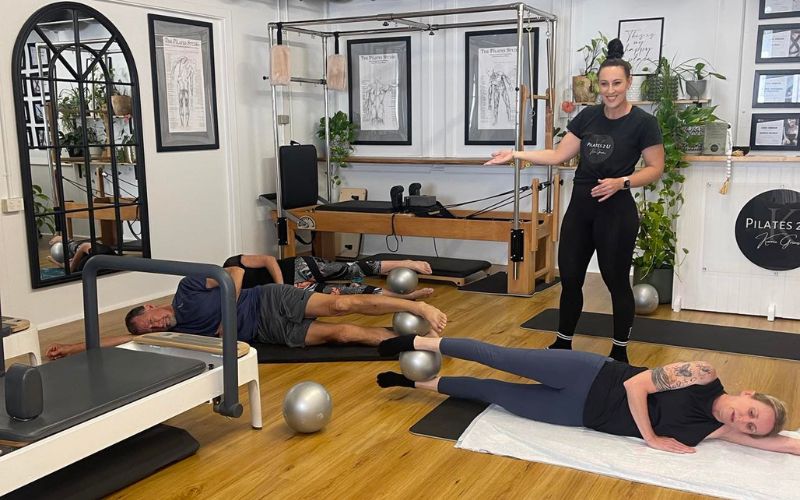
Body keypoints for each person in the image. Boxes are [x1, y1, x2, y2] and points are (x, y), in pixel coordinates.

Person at [485, 39, 665, 362]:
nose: (610, 91)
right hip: (581, 209)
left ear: (628, 83)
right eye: (604, 84)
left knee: (615, 281)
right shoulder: (587, 118)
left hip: (617, 212)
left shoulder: (643, 123)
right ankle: (563, 343)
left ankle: (619, 352)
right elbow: (557, 155)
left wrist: (621, 182)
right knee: (570, 277)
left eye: (617, 84)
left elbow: (655, 168)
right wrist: (514, 153)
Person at [376, 335, 797, 455]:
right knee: (499, 357)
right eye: (751, 412)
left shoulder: (715, 433)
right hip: (589, 374)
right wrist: (649, 438)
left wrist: (783, 444)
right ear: (749, 394)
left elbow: (783, 445)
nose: (744, 421)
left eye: (751, 427)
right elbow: (637, 385)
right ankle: (418, 343)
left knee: (494, 392)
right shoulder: (703, 375)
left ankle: (415, 384)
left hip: (575, 413)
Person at [45, 266, 447, 360]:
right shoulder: (177, 331)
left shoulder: (186, 290)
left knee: (343, 303)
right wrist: (73, 346)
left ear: (152, 306)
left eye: (148, 318)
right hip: (268, 333)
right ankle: (421, 341)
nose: (153, 325)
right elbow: (125, 341)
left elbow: (234, 272)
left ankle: (417, 304)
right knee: (342, 334)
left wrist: (225, 317)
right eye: (148, 328)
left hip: (270, 301)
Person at [223, 254, 435, 299]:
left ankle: (406, 263)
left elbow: (269, 260)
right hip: (296, 292)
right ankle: (405, 297)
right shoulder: (223, 297)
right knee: (351, 291)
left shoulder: (232, 263)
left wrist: (280, 286)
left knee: (353, 269)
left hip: (298, 268)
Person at [47, 235, 116, 273]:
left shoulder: (80, 265)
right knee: (77, 247)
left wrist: (54, 261)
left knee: (77, 247)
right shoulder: (97, 254)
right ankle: (67, 241)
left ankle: (67, 241)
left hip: (101, 257)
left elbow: (70, 269)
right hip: (105, 256)